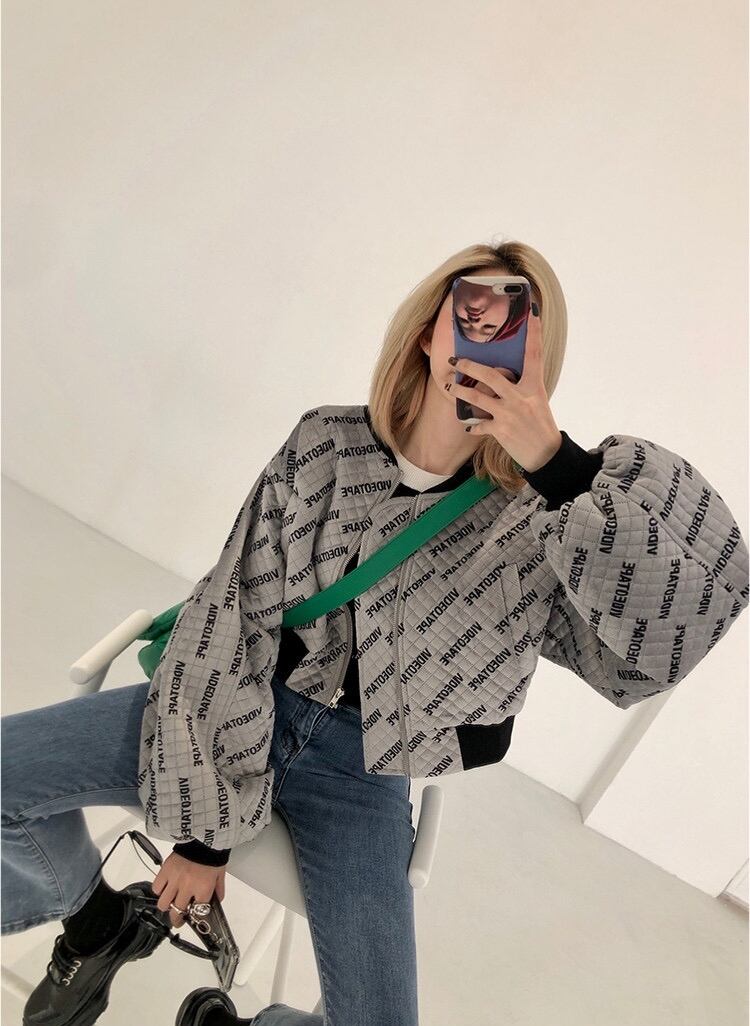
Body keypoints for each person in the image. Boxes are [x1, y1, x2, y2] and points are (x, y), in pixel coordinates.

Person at [3, 240, 748, 1026]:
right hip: (229, 704)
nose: (486, 346)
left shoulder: (548, 518)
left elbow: (659, 648)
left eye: (516, 336)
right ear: (428, 332)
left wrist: (559, 468)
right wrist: (204, 834)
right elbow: (233, 616)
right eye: (471, 317)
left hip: (363, 772)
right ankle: (95, 922)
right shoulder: (325, 443)